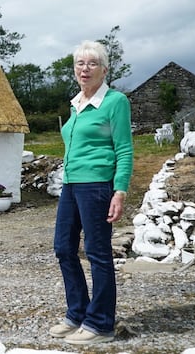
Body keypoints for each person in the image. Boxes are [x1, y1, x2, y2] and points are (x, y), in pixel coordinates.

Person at [49, 40, 133, 345]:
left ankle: (101, 324)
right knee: (63, 248)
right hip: (71, 184)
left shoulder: (115, 101)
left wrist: (119, 191)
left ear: (104, 69)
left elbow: (124, 150)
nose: (85, 69)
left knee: (98, 253)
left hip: (97, 186)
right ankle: (78, 313)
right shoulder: (76, 104)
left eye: (92, 64)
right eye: (80, 64)